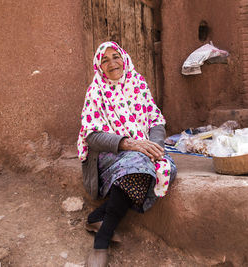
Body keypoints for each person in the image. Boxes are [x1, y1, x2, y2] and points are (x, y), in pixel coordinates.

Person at [77, 41, 177, 267]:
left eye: (116, 56)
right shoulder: (96, 90)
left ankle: (97, 218)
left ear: (124, 58)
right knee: (137, 163)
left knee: (165, 167)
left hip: (141, 149)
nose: (112, 63)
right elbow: (92, 136)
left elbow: (155, 119)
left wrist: (155, 146)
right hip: (108, 152)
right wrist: (129, 143)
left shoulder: (138, 83)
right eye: (105, 60)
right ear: (99, 66)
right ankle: (101, 243)